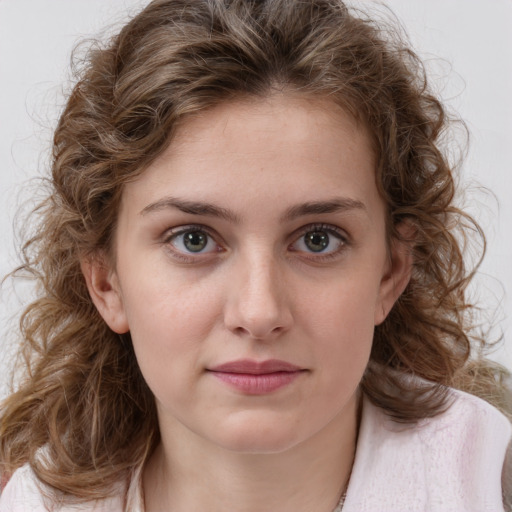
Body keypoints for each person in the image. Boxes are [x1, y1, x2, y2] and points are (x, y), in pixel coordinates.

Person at [0, 0, 510, 510]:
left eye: (318, 239)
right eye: (193, 239)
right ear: (106, 283)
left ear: (390, 273)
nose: (259, 312)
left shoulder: (492, 481)